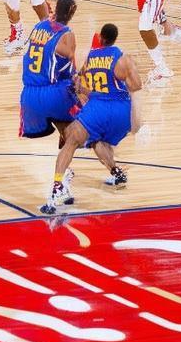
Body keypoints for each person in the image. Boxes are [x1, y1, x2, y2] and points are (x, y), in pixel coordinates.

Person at [41, 23, 142, 214]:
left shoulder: (91, 58)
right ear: (115, 39)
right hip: (122, 111)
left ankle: (57, 187)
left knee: (71, 140)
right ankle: (116, 173)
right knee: (97, 140)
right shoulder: (122, 58)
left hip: (99, 108)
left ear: (101, 38)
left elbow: (80, 85)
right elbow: (136, 86)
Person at [19, 0, 80, 148]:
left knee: (64, 127)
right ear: (72, 12)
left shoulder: (39, 26)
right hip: (51, 93)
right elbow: (71, 64)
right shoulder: (66, 34)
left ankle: (65, 143)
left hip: (28, 95)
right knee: (85, 115)